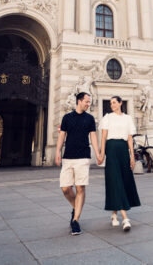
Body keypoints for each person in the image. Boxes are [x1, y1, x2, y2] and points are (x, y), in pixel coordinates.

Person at [55, 92, 101, 236]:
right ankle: (76, 207)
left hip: (83, 157)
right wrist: (57, 152)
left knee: (80, 187)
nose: (89, 104)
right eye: (87, 101)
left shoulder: (90, 118)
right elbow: (62, 135)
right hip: (68, 157)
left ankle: (75, 221)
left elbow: (93, 136)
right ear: (79, 101)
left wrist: (98, 153)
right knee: (65, 188)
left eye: (89, 102)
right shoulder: (67, 118)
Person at [99, 96, 141, 231]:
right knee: (115, 180)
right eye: (111, 103)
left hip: (123, 149)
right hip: (111, 149)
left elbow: (129, 139)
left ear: (120, 103)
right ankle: (125, 218)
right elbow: (104, 137)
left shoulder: (128, 118)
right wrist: (101, 154)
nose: (112, 105)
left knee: (122, 180)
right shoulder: (107, 117)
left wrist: (132, 157)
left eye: (114, 102)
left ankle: (113, 215)